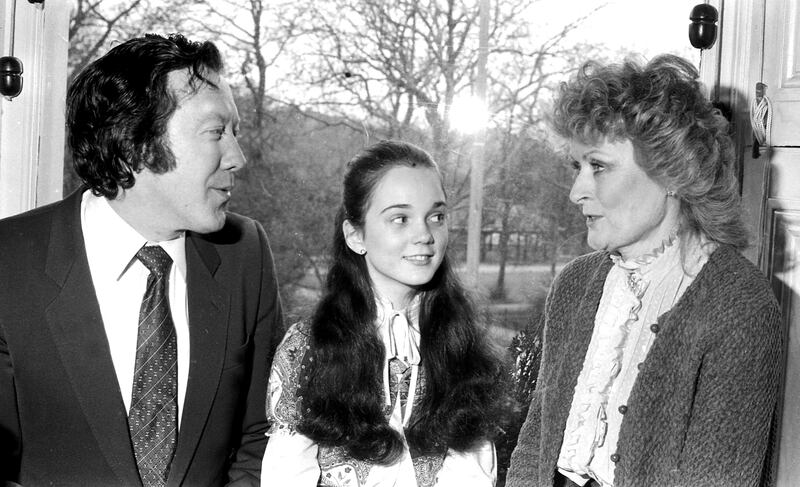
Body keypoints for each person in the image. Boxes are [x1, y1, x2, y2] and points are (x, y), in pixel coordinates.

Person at [0, 34, 284, 486]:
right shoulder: (9, 261)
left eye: (235, 132)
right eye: (216, 132)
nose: (238, 157)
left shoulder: (244, 253)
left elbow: (261, 434)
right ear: (135, 145)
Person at [506, 54, 782, 487]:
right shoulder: (575, 284)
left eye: (598, 166)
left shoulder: (740, 304)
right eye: (575, 167)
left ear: (672, 171)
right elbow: (537, 438)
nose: (577, 190)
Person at [260, 140, 504, 486]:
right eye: (400, 219)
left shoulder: (460, 341)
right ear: (355, 234)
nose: (424, 235)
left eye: (436, 216)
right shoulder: (309, 346)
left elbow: (473, 473)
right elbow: (286, 476)